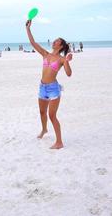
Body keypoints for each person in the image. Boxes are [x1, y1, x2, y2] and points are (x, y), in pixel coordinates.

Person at [26, 20, 72, 149]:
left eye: (57, 41)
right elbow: (33, 43)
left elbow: (68, 74)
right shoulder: (45, 54)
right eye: (55, 40)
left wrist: (67, 61)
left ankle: (59, 142)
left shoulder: (62, 59)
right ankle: (44, 129)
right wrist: (28, 29)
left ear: (61, 46)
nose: (54, 41)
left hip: (53, 89)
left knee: (52, 115)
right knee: (42, 112)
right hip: (42, 87)